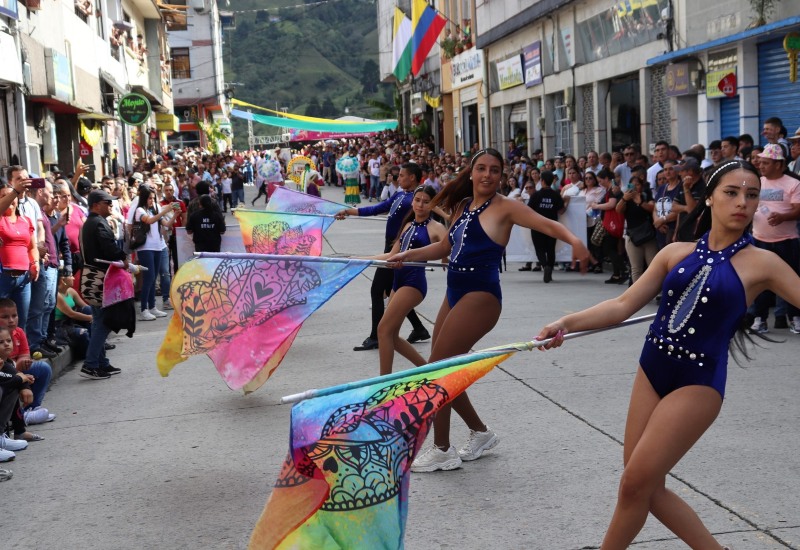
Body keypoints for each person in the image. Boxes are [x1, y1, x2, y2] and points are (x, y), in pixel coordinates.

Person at [535, 160, 794, 550]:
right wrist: (566, 322)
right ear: (709, 197)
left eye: (752, 195)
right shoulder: (675, 252)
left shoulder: (764, 263)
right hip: (652, 368)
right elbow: (623, 304)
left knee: (635, 483)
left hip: (698, 383)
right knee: (643, 487)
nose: (742, 202)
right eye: (731, 192)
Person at [387, 148, 590, 472]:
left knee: (437, 370)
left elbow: (546, 224)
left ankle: (442, 449)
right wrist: (407, 255)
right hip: (454, 291)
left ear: (501, 175)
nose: (486, 175)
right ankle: (480, 432)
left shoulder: (506, 208)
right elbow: (445, 247)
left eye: (494, 170)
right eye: (481, 168)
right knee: (443, 369)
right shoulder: (464, 206)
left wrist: (574, 240)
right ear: (470, 172)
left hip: (480, 297)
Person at [336, 163, 431, 351]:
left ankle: (375, 337)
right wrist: (349, 211)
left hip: (398, 250)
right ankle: (419, 328)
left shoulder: (415, 200)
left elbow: (429, 218)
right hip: (390, 245)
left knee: (377, 290)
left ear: (412, 177)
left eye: (402, 175)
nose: (399, 178)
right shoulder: (399, 194)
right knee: (390, 290)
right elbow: (377, 208)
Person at [372, 185, 446, 376]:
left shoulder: (436, 228)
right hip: (398, 281)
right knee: (392, 336)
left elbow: (450, 251)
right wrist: (357, 260)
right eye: (417, 200)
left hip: (414, 283)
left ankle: (383, 382)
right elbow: (392, 255)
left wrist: (447, 259)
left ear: (433, 204)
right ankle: (429, 372)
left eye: (426, 201)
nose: (420, 205)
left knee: (383, 329)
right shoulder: (408, 225)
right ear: (412, 201)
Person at [748, 144, 800, 333]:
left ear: (779, 164)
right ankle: (759, 319)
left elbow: (798, 209)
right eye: (760, 162)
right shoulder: (757, 182)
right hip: (760, 241)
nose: (760, 165)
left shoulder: (792, 183)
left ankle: (794, 317)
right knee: (759, 282)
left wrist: (783, 217)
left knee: (791, 280)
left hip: (787, 241)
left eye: (765, 162)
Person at [79, 190, 128, 380]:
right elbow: (109, 249)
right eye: (107, 202)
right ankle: (91, 364)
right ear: (96, 204)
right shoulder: (98, 223)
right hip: (99, 279)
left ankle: (101, 363)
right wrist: (123, 257)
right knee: (103, 322)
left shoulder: (91, 223)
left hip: (95, 277)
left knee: (100, 322)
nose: (111, 205)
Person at [0, 178, 39, 331]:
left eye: (11, 196)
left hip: (23, 279)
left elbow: (32, 247)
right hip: (3, 277)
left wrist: (35, 263)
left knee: (19, 322)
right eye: (3, 196)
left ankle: (19, 354)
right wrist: (15, 191)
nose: (9, 199)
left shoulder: (25, 220)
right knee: (2, 323)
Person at [134, 185, 177, 321]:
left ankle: (152, 307)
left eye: (153, 198)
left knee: (153, 278)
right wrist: (165, 210)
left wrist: (175, 214)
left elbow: (166, 224)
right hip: (145, 248)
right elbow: (149, 220)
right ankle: (144, 309)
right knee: (149, 278)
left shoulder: (154, 209)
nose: (152, 201)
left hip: (158, 246)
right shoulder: (140, 210)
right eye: (149, 198)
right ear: (144, 198)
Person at [617, 174, 656, 283]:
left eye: (637, 185)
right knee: (636, 268)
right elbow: (618, 210)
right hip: (633, 236)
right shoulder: (626, 199)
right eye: (632, 185)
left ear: (641, 186)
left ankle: (655, 291)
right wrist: (624, 199)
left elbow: (652, 208)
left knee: (653, 266)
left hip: (648, 235)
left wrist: (640, 202)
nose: (634, 187)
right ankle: (637, 294)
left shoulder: (646, 195)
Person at [528, 171, 565, 283]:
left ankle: (545, 266)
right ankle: (550, 268)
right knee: (550, 250)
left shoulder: (536, 195)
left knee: (539, 250)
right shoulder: (556, 194)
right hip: (552, 226)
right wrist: (566, 202)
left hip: (538, 226)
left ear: (542, 181)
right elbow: (561, 210)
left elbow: (529, 210)